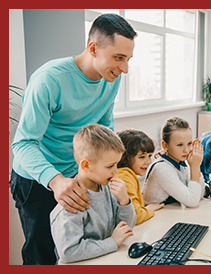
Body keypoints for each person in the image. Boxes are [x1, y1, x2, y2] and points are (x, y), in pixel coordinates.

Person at [9, 13, 137, 265]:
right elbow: (23, 144)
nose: (125, 68)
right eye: (118, 58)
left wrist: (110, 170)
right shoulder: (49, 80)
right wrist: (56, 181)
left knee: (84, 251)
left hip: (77, 175)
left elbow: (104, 131)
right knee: (42, 257)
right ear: (93, 48)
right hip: (37, 179)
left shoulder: (110, 80)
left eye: (128, 59)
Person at [50, 124, 136, 264]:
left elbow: (126, 229)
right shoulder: (72, 201)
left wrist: (124, 201)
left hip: (105, 260)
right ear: (86, 165)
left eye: (117, 165)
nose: (116, 171)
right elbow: (69, 252)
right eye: (110, 166)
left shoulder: (107, 188)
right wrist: (112, 242)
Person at [142, 117, 205, 208]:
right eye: (180, 145)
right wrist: (195, 166)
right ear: (165, 145)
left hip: (170, 214)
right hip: (155, 218)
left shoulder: (183, 161)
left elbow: (200, 193)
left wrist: (195, 166)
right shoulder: (161, 168)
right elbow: (192, 201)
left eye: (189, 143)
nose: (186, 150)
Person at [115, 129, 165, 225]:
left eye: (149, 156)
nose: (148, 162)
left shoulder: (123, 173)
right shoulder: (125, 176)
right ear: (125, 157)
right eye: (142, 157)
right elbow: (135, 216)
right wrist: (149, 210)